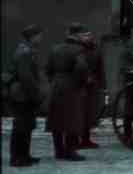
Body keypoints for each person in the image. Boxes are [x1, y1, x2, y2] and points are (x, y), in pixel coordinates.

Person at [46, 23, 89, 161]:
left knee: (57, 119)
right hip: (71, 87)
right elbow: (81, 69)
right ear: (77, 35)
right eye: (82, 34)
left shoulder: (55, 49)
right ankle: (71, 151)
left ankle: (59, 151)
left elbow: (48, 69)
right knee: (72, 120)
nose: (84, 37)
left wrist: (54, 80)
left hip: (56, 85)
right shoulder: (78, 50)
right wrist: (80, 83)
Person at [8, 24, 44, 167]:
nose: (41, 38)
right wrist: (35, 95)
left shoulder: (26, 50)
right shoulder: (25, 52)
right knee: (21, 127)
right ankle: (17, 158)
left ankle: (24, 155)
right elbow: (26, 78)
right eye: (39, 35)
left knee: (26, 126)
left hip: (23, 94)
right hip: (22, 95)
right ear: (33, 36)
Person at [78, 28, 106, 149]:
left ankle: (86, 139)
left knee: (89, 113)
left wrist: (103, 86)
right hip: (79, 84)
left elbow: (100, 69)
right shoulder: (77, 49)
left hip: (92, 84)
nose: (88, 37)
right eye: (85, 35)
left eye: (89, 35)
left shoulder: (95, 49)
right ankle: (75, 140)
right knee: (79, 113)